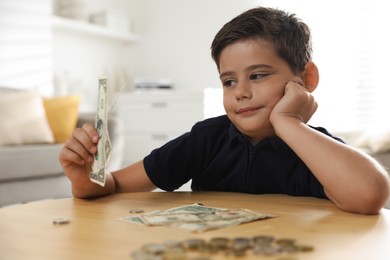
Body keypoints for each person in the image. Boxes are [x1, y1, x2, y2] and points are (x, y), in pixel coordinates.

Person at [59, 6, 390, 215]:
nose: (241, 92)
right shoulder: (206, 138)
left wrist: (288, 122)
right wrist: (85, 177)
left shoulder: (315, 149)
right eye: (229, 81)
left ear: (306, 79)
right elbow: (114, 184)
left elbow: (370, 196)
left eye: (258, 76)